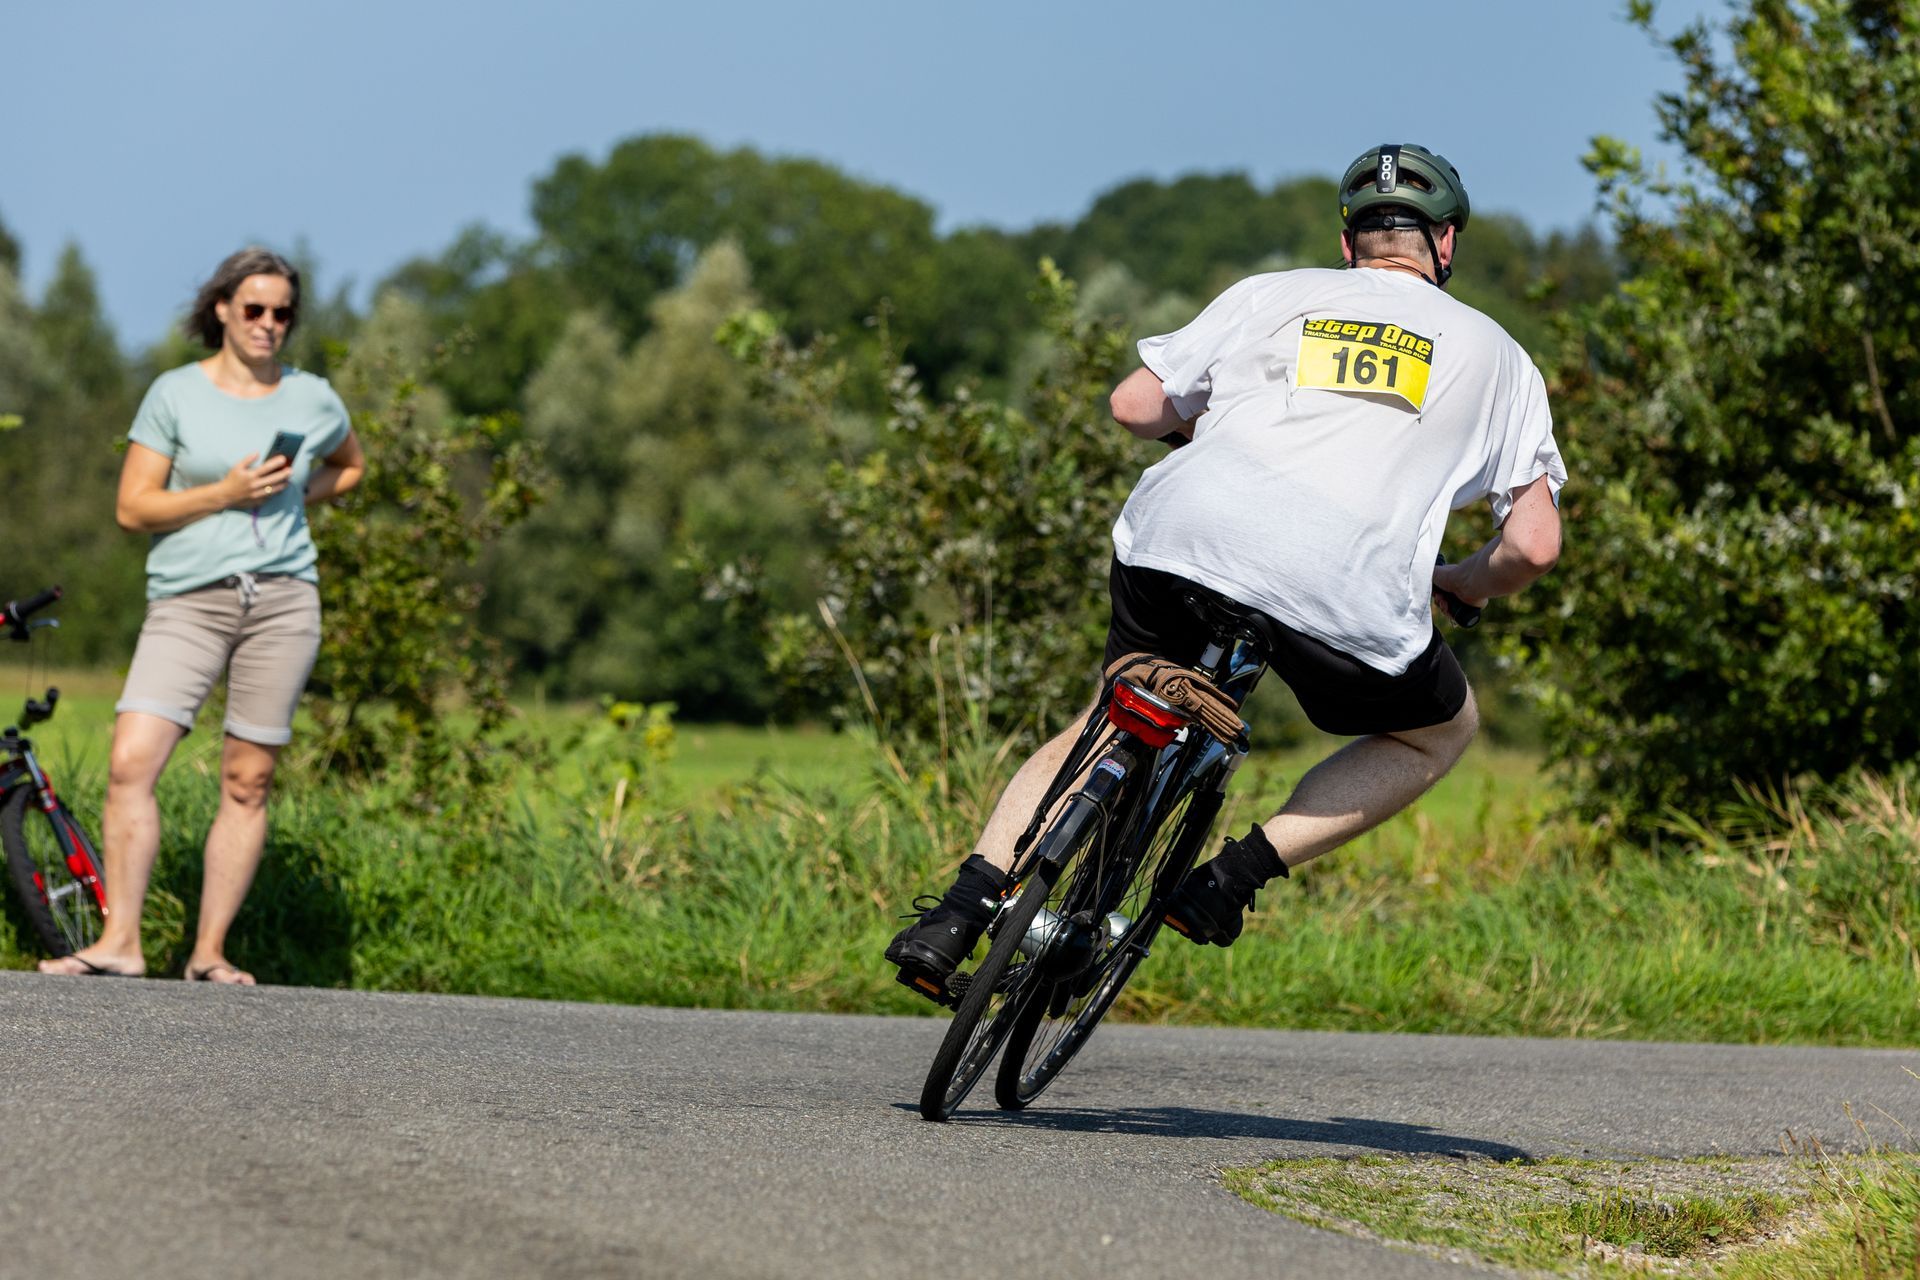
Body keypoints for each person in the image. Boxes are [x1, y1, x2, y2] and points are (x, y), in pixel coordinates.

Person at [888, 143, 1565, 992]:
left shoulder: (1272, 293)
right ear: (1447, 241)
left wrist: (1214, 438)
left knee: (1109, 711)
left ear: (1349, 241)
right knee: (1439, 731)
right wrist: (1463, 582)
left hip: (1181, 538)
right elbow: (1533, 545)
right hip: (1343, 584)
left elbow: (1134, 405)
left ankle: (959, 912)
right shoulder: (1500, 357)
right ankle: (1229, 880)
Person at [39, 247, 365, 983]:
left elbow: (351, 466)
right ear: (222, 309)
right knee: (131, 762)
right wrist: (227, 494)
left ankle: (209, 952)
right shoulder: (175, 393)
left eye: (283, 313)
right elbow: (133, 508)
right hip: (189, 598)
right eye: (254, 309)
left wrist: (292, 497)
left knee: (248, 779)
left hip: (283, 600)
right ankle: (120, 943)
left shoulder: (313, 398)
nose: (269, 323)